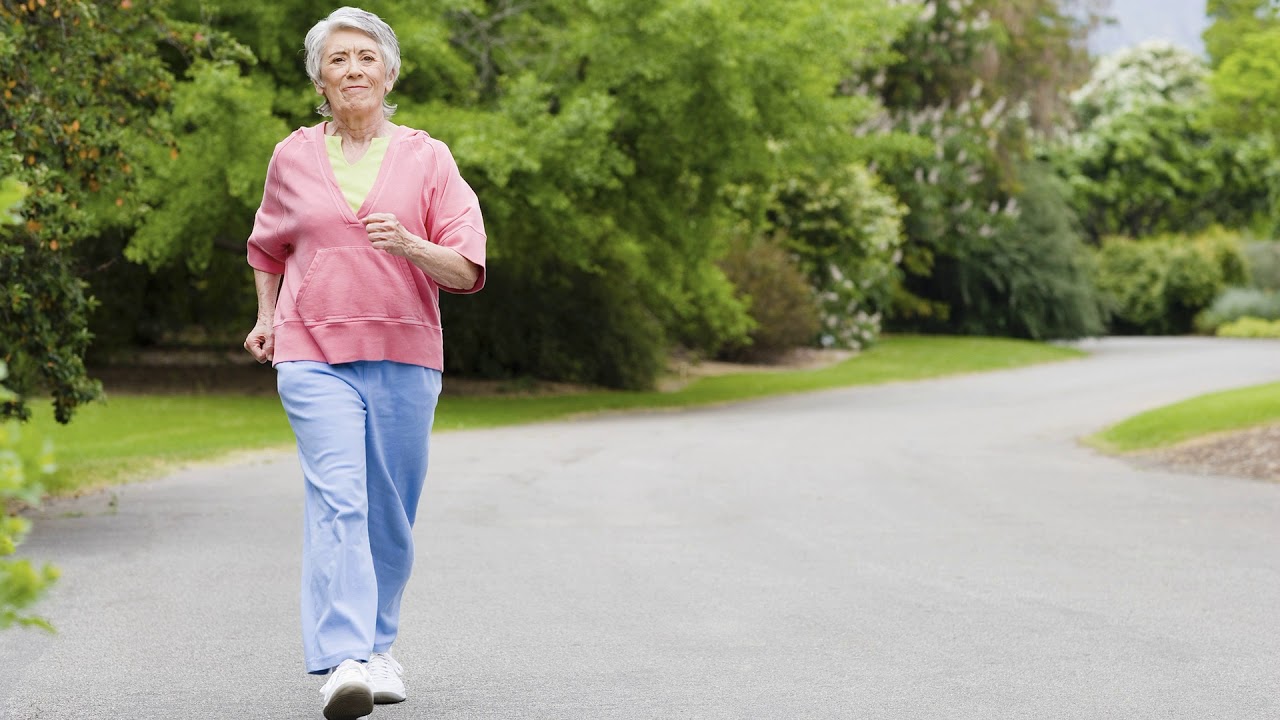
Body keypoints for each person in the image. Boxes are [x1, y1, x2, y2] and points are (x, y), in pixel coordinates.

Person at [242, 7, 486, 719]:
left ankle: (379, 648)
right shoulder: (291, 156)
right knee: (339, 498)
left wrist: (410, 243)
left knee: (390, 514)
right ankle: (345, 658)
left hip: (406, 353)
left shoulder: (428, 158)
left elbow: (467, 268)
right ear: (320, 77)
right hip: (312, 349)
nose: (353, 69)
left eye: (366, 58)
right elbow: (267, 247)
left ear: (389, 72)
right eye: (338, 59)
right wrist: (265, 317)